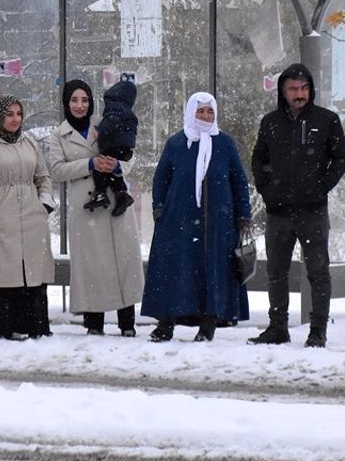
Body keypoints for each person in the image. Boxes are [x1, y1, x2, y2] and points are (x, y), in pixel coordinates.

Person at [249, 63, 345, 348]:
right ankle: (277, 327)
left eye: (304, 88)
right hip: (278, 211)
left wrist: (320, 187)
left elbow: (342, 159)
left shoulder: (326, 120)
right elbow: (258, 159)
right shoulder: (270, 123)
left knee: (318, 271)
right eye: (293, 89)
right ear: (283, 90)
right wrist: (267, 189)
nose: (299, 94)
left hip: (312, 210)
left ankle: (318, 329)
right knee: (276, 271)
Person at [140, 92, 252, 343]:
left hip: (217, 223)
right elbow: (161, 178)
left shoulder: (224, 143)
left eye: (209, 111)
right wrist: (159, 208)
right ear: (191, 112)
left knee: (212, 270)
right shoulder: (177, 143)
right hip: (178, 221)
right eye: (200, 111)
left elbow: (239, 181)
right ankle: (166, 322)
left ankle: (208, 323)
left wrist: (243, 215)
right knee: (175, 270)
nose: (205, 116)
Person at [45, 80, 144, 337]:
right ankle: (94, 323)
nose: (80, 106)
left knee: (123, 261)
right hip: (85, 206)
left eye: (85, 100)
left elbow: (129, 154)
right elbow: (56, 170)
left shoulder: (104, 123)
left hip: (115, 201)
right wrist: (90, 164)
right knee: (92, 266)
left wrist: (116, 166)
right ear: (66, 103)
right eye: (74, 100)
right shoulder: (59, 135)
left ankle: (127, 323)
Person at [0, 94, 56, 341]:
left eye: (19, 113)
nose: (15, 119)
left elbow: (44, 177)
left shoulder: (30, 144)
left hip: (31, 216)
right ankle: (2, 327)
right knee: (4, 271)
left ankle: (33, 324)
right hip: (0, 219)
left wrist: (45, 203)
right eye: (9, 114)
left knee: (31, 269)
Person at [84, 79, 138, 217]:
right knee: (113, 175)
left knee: (101, 169)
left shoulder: (116, 110)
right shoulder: (127, 112)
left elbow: (111, 121)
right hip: (124, 148)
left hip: (115, 146)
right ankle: (121, 195)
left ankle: (101, 193)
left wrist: (100, 131)